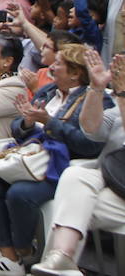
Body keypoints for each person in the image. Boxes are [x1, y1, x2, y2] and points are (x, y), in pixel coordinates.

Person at [0, 43, 107, 275]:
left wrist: (49, 123)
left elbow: (89, 145)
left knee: (20, 193)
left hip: (61, 169)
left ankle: (23, 252)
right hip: (30, 161)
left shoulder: (93, 99)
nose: (51, 66)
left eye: (59, 63)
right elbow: (17, 127)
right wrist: (27, 123)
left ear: (75, 73)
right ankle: (8, 256)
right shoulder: (47, 92)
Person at [32, 50, 125, 276]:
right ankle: (62, 258)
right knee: (74, 178)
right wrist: (96, 88)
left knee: (73, 204)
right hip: (114, 186)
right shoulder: (118, 106)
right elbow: (92, 129)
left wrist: (122, 93)